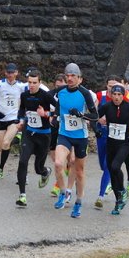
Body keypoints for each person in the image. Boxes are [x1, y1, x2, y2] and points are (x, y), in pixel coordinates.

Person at [52, 63, 99, 218]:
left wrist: (81, 115)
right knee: (58, 163)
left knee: (79, 172)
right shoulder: (61, 92)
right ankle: (63, 193)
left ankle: (78, 202)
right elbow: (58, 107)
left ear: (80, 78)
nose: (70, 78)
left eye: (73, 76)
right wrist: (55, 117)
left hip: (80, 137)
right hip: (64, 134)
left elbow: (95, 116)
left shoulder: (85, 93)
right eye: (68, 76)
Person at [97, 84, 129, 215]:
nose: (116, 97)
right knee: (112, 173)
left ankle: (122, 191)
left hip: (124, 143)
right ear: (111, 95)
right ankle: (118, 202)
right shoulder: (106, 107)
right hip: (111, 143)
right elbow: (94, 116)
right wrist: (95, 128)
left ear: (123, 95)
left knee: (115, 167)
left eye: (119, 95)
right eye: (114, 94)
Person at [13, 69, 55, 207]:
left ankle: (45, 172)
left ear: (40, 82)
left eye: (34, 83)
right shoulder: (24, 95)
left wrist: (46, 114)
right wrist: (20, 120)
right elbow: (22, 109)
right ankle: (22, 196)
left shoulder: (46, 96)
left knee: (38, 168)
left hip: (44, 136)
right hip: (29, 133)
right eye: (29, 82)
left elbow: (59, 109)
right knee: (23, 161)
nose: (31, 85)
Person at [0, 63, 26, 180]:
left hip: (14, 118)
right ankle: (16, 140)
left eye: (12, 72)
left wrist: (21, 116)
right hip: (1, 119)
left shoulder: (21, 86)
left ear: (16, 73)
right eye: (8, 72)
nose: (10, 75)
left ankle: (0, 169)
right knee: (2, 146)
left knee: (5, 143)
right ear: (5, 72)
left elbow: (25, 100)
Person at [93, 76, 121, 209]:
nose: (112, 89)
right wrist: (98, 119)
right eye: (110, 86)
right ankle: (113, 182)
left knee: (107, 166)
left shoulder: (121, 98)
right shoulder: (100, 95)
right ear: (106, 86)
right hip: (101, 134)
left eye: (114, 86)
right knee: (102, 164)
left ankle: (100, 196)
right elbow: (93, 112)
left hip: (114, 136)